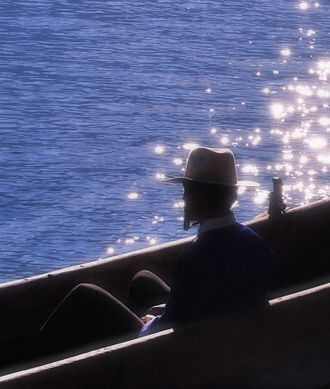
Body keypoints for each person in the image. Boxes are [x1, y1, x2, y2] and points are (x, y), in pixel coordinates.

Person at [39, 147, 274, 354]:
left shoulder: (196, 259)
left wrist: (151, 323)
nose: (183, 199)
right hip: (228, 343)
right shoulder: (255, 244)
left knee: (84, 295)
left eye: (186, 191)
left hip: (183, 357)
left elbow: (173, 326)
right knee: (144, 280)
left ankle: (34, 366)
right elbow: (216, 300)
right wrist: (168, 311)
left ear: (200, 197)